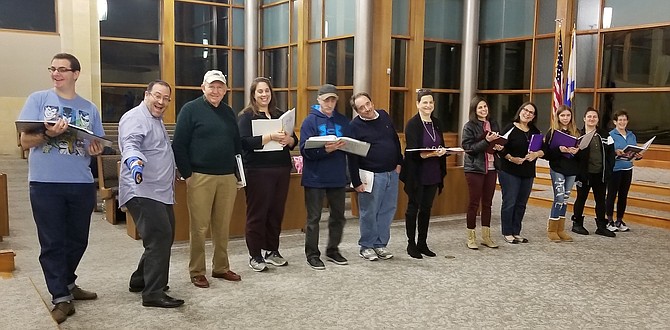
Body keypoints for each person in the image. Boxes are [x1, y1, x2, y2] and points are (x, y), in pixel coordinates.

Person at [17, 53, 103, 324]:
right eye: (53, 69)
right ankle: (60, 297)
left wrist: (96, 148)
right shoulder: (38, 100)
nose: (56, 74)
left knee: (78, 240)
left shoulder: (89, 108)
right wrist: (48, 134)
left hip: (80, 182)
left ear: (75, 74)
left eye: (62, 69)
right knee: (52, 241)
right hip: (46, 183)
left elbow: (96, 144)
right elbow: (24, 141)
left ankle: (66, 282)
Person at [172, 70, 243, 288]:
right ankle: (197, 271)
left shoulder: (229, 112)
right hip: (200, 177)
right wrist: (188, 175)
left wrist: (237, 175)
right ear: (203, 88)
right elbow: (179, 144)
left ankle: (221, 267)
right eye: (211, 86)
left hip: (226, 178)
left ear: (226, 90)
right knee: (199, 227)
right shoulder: (190, 110)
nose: (216, 90)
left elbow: (236, 144)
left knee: (222, 226)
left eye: (220, 87)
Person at [118, 80, 184, 308]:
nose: (161, 102)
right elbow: (130, 144)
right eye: (157, 96)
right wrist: (134, 162)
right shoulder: (135, 118)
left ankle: (140, 280)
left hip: (160, 191)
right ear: (146, 95)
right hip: (142, 189)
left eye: (166, 98)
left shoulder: (155, 120)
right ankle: (153, 293)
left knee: (163, 236)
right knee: (160, 237)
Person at [237, 77, 297, 272]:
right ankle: (255, 255)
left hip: (280, 169)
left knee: (276, 212)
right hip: (257, 171)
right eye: (260, 91)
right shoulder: (246, 116)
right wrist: (269, 137)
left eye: (267, 91)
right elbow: (244, 143)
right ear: (253, 95)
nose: (264, 95)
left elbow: (293, 141)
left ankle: (272, 250)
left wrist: (288, 139)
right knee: (258, 213)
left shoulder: (280, 115)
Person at [299, 84, 351, 270]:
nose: (330, 103)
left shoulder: (343, 121)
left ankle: (333, 249)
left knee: (338, 216)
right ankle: (312, 254)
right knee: (314, 218)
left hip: (337, 176)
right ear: (319, 100)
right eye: (326, 99)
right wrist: (325, 150)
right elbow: (304, 150)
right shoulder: (309, 122)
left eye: (333, 100)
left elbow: (350, 147)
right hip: (315, 177)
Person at [348, 92, 403, 261]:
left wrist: (399, 162)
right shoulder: (354, 126)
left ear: (372, 102)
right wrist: (356, 182)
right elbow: (352, 156)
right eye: (362, 108)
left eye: (368, 104)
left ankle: (380, 244)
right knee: (369, 212)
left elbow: (395, 139)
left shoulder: (384, 115)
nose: (367, 109)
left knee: (387, 210)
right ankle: (366, 246)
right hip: (370, 175)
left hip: (391, 173)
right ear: (357, 111)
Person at [399, 89, 448, 259]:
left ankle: (423, 243)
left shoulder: (437, 123)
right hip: (417, 173)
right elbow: (413, 152)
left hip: (433, 172)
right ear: (418, 104)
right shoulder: (412, 124)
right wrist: (434, 153)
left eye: (431, 102)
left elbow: (441, 144)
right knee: (413, 208)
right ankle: (411, 244)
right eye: (425, 102)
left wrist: (443, 151)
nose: (428, 105)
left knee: (426, 209)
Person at [496, 102, 544, 244]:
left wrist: (536, 154)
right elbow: (499, 148)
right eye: (525, 110)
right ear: (520, 111)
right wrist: (511, 158)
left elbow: (545, 149)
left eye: (531, 112)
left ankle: (516, 231)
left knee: (521, 203)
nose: (527, 113)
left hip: (527, 172)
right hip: (509, 170)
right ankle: (507, 232)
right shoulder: (510, 128)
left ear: (534, 116)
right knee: (510, 202)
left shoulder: (535, 131)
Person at [461, 96, 500, 250]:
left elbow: (497, 142)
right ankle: (471, 237)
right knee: (474, 203)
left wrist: (499, 146)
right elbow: (468, 147)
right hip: (475, 168)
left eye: (485, 106)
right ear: (474, 110)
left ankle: (486, 236)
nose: (484, 110)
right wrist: (487, 141)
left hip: (491, 167)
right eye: (480, 108)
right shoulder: (469, 126)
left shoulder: (493, 123)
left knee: (488, 204)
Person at [571, 107, 616, 237]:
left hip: (600, 174)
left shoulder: (605, 135)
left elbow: (611, 154)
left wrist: (608, 169)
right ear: (584, 118)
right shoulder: (577, 134)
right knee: (581, 199)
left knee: (601, 200)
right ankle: (577, 224)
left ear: (597, 120)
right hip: (584, 174)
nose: (592, 119)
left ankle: (601, 226)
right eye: (589, 116)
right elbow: (573, 155)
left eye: (594, 117)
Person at [542, 105, 580, 242]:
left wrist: (577, 151)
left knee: (565, 199)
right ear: (558, 117)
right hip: (557, 168)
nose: (565, 118)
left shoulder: (577, 132)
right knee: (558, 198)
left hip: (571, 170)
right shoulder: (552, 132)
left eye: (568, 115)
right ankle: (552, 229)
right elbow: (546, 154)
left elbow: (581, 152)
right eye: (562, 115)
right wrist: (559, 150)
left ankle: (561, 229)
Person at [606, 110, 639, 232]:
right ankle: (609, 220)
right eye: (620, 120)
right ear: (615, 122)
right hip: (615, 169)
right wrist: (615, 152)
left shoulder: (632, 135)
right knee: (611, 195)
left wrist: (637, 155)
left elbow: (633, 150)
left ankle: (619, 220)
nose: (622, 122)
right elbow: (607, 152)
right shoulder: (610, 135)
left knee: (623, 196)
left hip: (628, 169)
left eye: (624, 120)